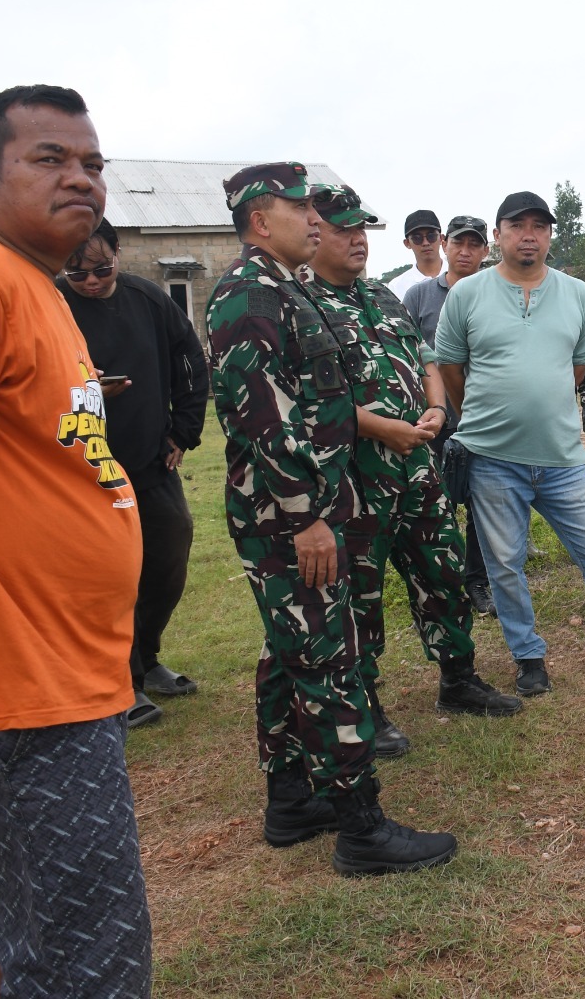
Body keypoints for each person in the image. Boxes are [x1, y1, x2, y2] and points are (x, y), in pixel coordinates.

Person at [0, 83, 152, 995]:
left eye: (91, 163)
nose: (80, 178)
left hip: (57, 677)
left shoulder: (33, 286)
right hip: (12, 691)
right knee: (89, 959)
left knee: (29, 928)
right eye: (49, 159)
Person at [208, 161, 457, 876]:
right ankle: (361, 827)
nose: (315, 221)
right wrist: (305, 516)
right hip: (294, 513)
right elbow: (262, 422)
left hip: (317, 499)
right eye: (300, 208)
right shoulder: (249, 296)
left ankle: (292, 801)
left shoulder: (287, 291)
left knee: (293, 651)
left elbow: (324, 402)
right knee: (329, 657)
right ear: (261, 219)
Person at [304, 185, 520, 758]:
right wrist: (382, 428)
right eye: (345, 230)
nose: (357, 241)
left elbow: (425, 358)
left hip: (418, 466)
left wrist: (433, 407)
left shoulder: (382, 294)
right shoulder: (299, 302)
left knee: (442, 573)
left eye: (363, 231)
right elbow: (303, 398)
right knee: (362, 592)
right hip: (356, 479)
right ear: (312, 231)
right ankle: (366, 703)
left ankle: (458, 679)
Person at [433, 191, 585, 695]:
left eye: (539, 226)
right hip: (492, 459)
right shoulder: (467, 295)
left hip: (562, 457)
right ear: (498, 234)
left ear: (549, 235)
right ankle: (528, 656)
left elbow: (576, 367)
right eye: (517, 225)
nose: (528, 235)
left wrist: (538, 399)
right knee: (504, 564)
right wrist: (487, 413)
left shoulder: (577, 294)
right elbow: (452, 369)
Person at [58, 217, 208, 728]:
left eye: (101, 268)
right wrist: (84, 385)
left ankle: (146, 657)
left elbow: (190, 358)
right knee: (107, 577)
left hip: (149, 460)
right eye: (77, 274)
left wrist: (183, 430)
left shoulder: (148, 298)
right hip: (84, 469)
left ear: (118, 254)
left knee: (168, 556)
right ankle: (121, 683)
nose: (91, 281)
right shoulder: (50, 303)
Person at [402, 214, 496, 616]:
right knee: (434, 504)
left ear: (485, 251)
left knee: (482, 503)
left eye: (474, 244)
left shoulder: (496, 292)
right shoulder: (419, 296)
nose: (465, 251)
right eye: (458, 243)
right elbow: (407, 356)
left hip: (484, 419)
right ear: (445, 245)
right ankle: (443, 581)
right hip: (434, 420)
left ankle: (479, 580)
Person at [387, 209, 445, 296]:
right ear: (407, 243)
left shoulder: (461, 276)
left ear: (441, 238)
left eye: (431, 236)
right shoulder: (396, 287)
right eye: (417, 238)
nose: (425, 243)